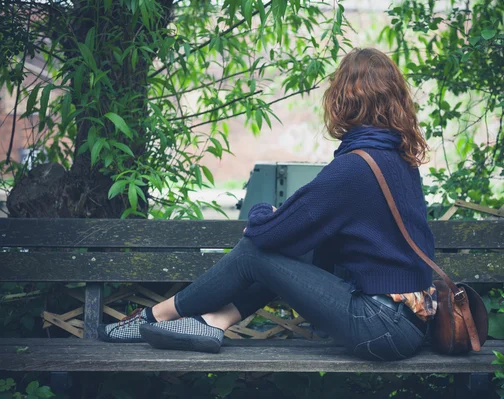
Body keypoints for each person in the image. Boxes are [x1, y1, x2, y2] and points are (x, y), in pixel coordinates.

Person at [97, 48, 437, 361]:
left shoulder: (354, 167)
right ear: (395, 100)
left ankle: (156, 315)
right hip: (411, 323)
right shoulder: (399, 158)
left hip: (380, 326)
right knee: (293, 250)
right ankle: (215, 321)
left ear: (344, 100)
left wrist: (263, 210)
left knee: (254, 254)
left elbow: (263, 236)